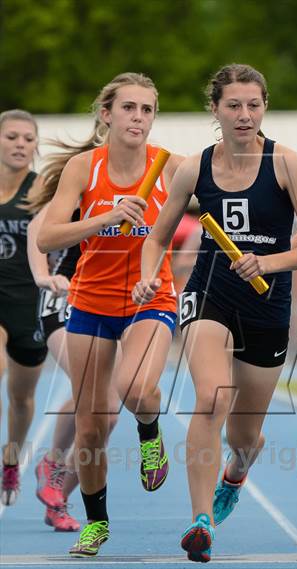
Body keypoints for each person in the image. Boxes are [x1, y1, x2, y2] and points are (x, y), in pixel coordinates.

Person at [133, 63, 297, 563]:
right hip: (211, 293)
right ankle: (201, 520)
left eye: (253, 105)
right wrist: (149, 274)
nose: (244, 115)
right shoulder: (195, 167)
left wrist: (268, 260)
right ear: (215, 110)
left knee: (244, 436)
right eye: (233, 105)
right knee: (209, 398)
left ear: (264, 106)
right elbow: (157, 235)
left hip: (267, 300)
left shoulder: (286, 164)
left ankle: (236, 472)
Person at [37, 72, 183, 556]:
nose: (138, 117)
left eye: (146, 109)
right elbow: (47, 237)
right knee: (90, 428)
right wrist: (105, 217)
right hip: (92, 303)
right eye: (128, 108)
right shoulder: (84, 169)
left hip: (151, 298)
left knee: (137, 388)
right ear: (106, 114)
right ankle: (96, 523)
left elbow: (226, 186)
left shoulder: (170, 167)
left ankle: (150, 434)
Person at [26, 170, 119, 531]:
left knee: (107, 416)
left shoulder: (137, 193)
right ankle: (51, 462)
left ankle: (59, 497)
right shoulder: (84, 184)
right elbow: (38, 229)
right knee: (92, 392)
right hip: (63, 303)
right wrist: (41, 276)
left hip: (110, 304)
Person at [0, 109, 48, 506]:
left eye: (27, 139)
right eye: (12, 136)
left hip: (28, 304)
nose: (19, 144)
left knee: (21, 398)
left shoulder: (43, 190)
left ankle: (12, 456)